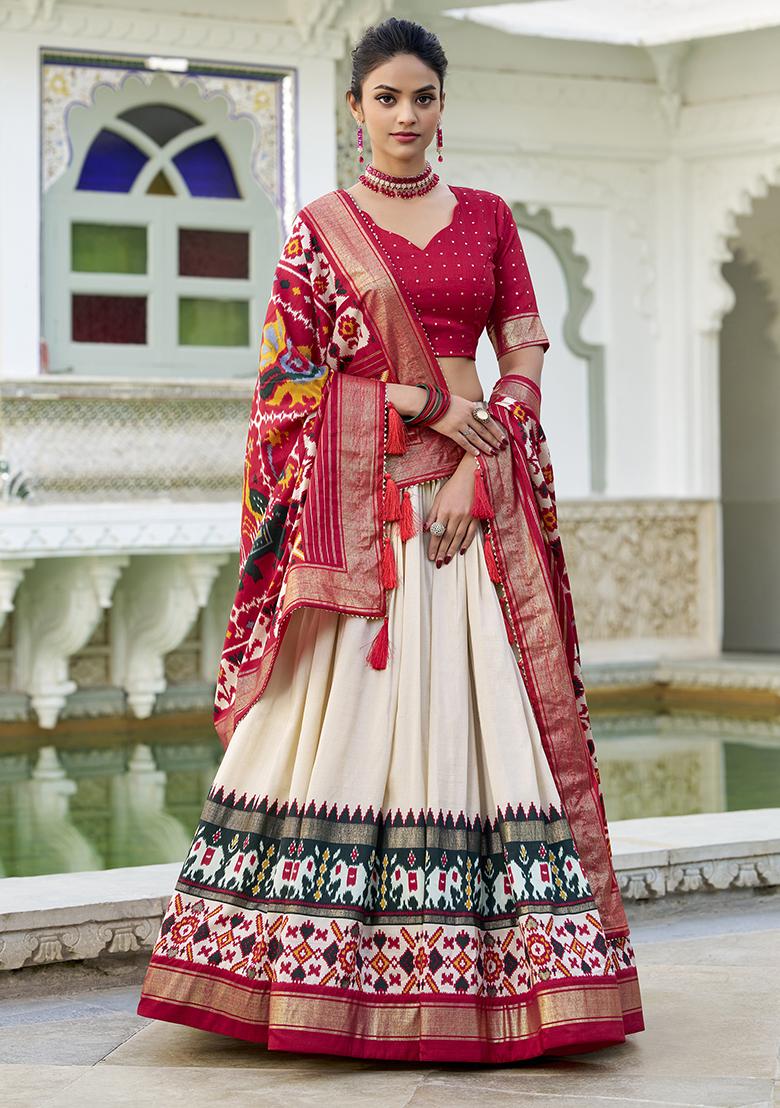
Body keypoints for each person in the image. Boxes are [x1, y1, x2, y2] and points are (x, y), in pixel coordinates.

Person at [137, 16, 644, 1063]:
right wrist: (414, 397)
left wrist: (477, 465)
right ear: (355, 110)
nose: (407, 116)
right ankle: (309, 972)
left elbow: (524, 344)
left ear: (441, 107)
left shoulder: (492, 218)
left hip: (473, 504)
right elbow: (288, 385)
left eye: (423, 97)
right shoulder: (320, 229)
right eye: (387, 99)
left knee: (483, 719)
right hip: (369, 514)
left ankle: (511, 981)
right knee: (345, 730)